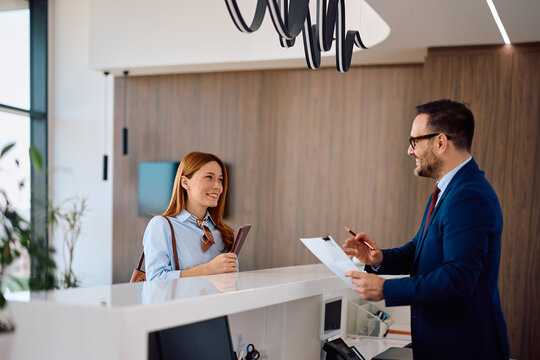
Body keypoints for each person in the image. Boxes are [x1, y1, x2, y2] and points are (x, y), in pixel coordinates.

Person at [343, 99, 510, 359]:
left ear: (440, 142)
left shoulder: (468, 196)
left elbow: (458, 278)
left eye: (414, 141)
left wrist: (386, 290)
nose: (410, 151)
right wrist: (379, 259)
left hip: (463, 348)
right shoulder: (449, 190)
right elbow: (419, 251)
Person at [143, 151, 237, 280]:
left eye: (220, 180)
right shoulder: (161, 226)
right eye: (209, 177)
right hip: (182, 300)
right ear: (185, 183)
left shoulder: (222, 232)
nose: (218, 186)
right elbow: (155, 279)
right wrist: (209, 269)